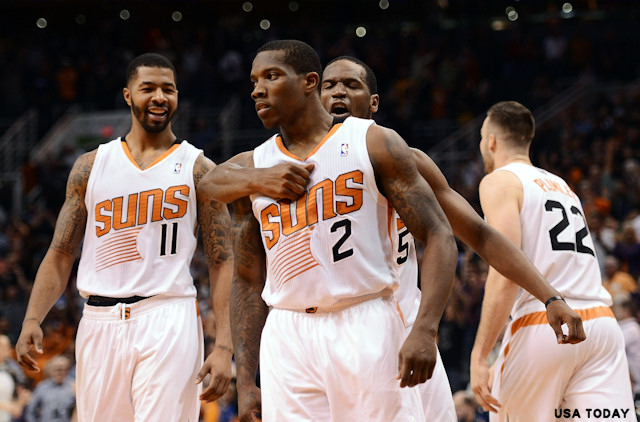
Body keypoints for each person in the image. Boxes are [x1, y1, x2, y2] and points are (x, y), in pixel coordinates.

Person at [202, 55, 586, 421]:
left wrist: (548, 295)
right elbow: (213, 185)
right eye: (330, 85)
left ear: (373, 103)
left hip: (395, 324)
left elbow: (480, 235)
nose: (338, 92)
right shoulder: (278, 166)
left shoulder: (397, 157)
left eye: (351, 85)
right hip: (315, 333)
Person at [202, 39, 460, 421]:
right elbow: (246, 278)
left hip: (364, 319)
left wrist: (425, 328)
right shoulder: (253, 166)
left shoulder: (371, 142)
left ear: (309, 82)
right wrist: (246, 382)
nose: (257, 89)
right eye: (254, 81)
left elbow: (440, 235)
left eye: (271, 77)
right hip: (286, 332)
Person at [15, 53, 235, 421]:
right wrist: (32, 318)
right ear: (128, 95)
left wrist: (224, 346)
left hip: (168, 315)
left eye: (168, 89)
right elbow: (60, 252)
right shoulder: (91, 166)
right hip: (99, 319)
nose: (159, 97)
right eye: (148, 88)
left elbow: (223, 261)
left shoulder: (198, 168)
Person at [470, 101, 634, 421]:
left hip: (546, 322)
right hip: (600, 326)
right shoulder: (563, 186)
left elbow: (505, 270)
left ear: (491, 141)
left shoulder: (499, 181)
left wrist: (480, 354)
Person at [23, 355, 75, 422]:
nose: (59, 372)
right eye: (56, 369)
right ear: (50, 370)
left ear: (67, 370)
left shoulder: (73, 387)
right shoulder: (42, 387)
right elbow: (31, 411)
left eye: (62, 369)